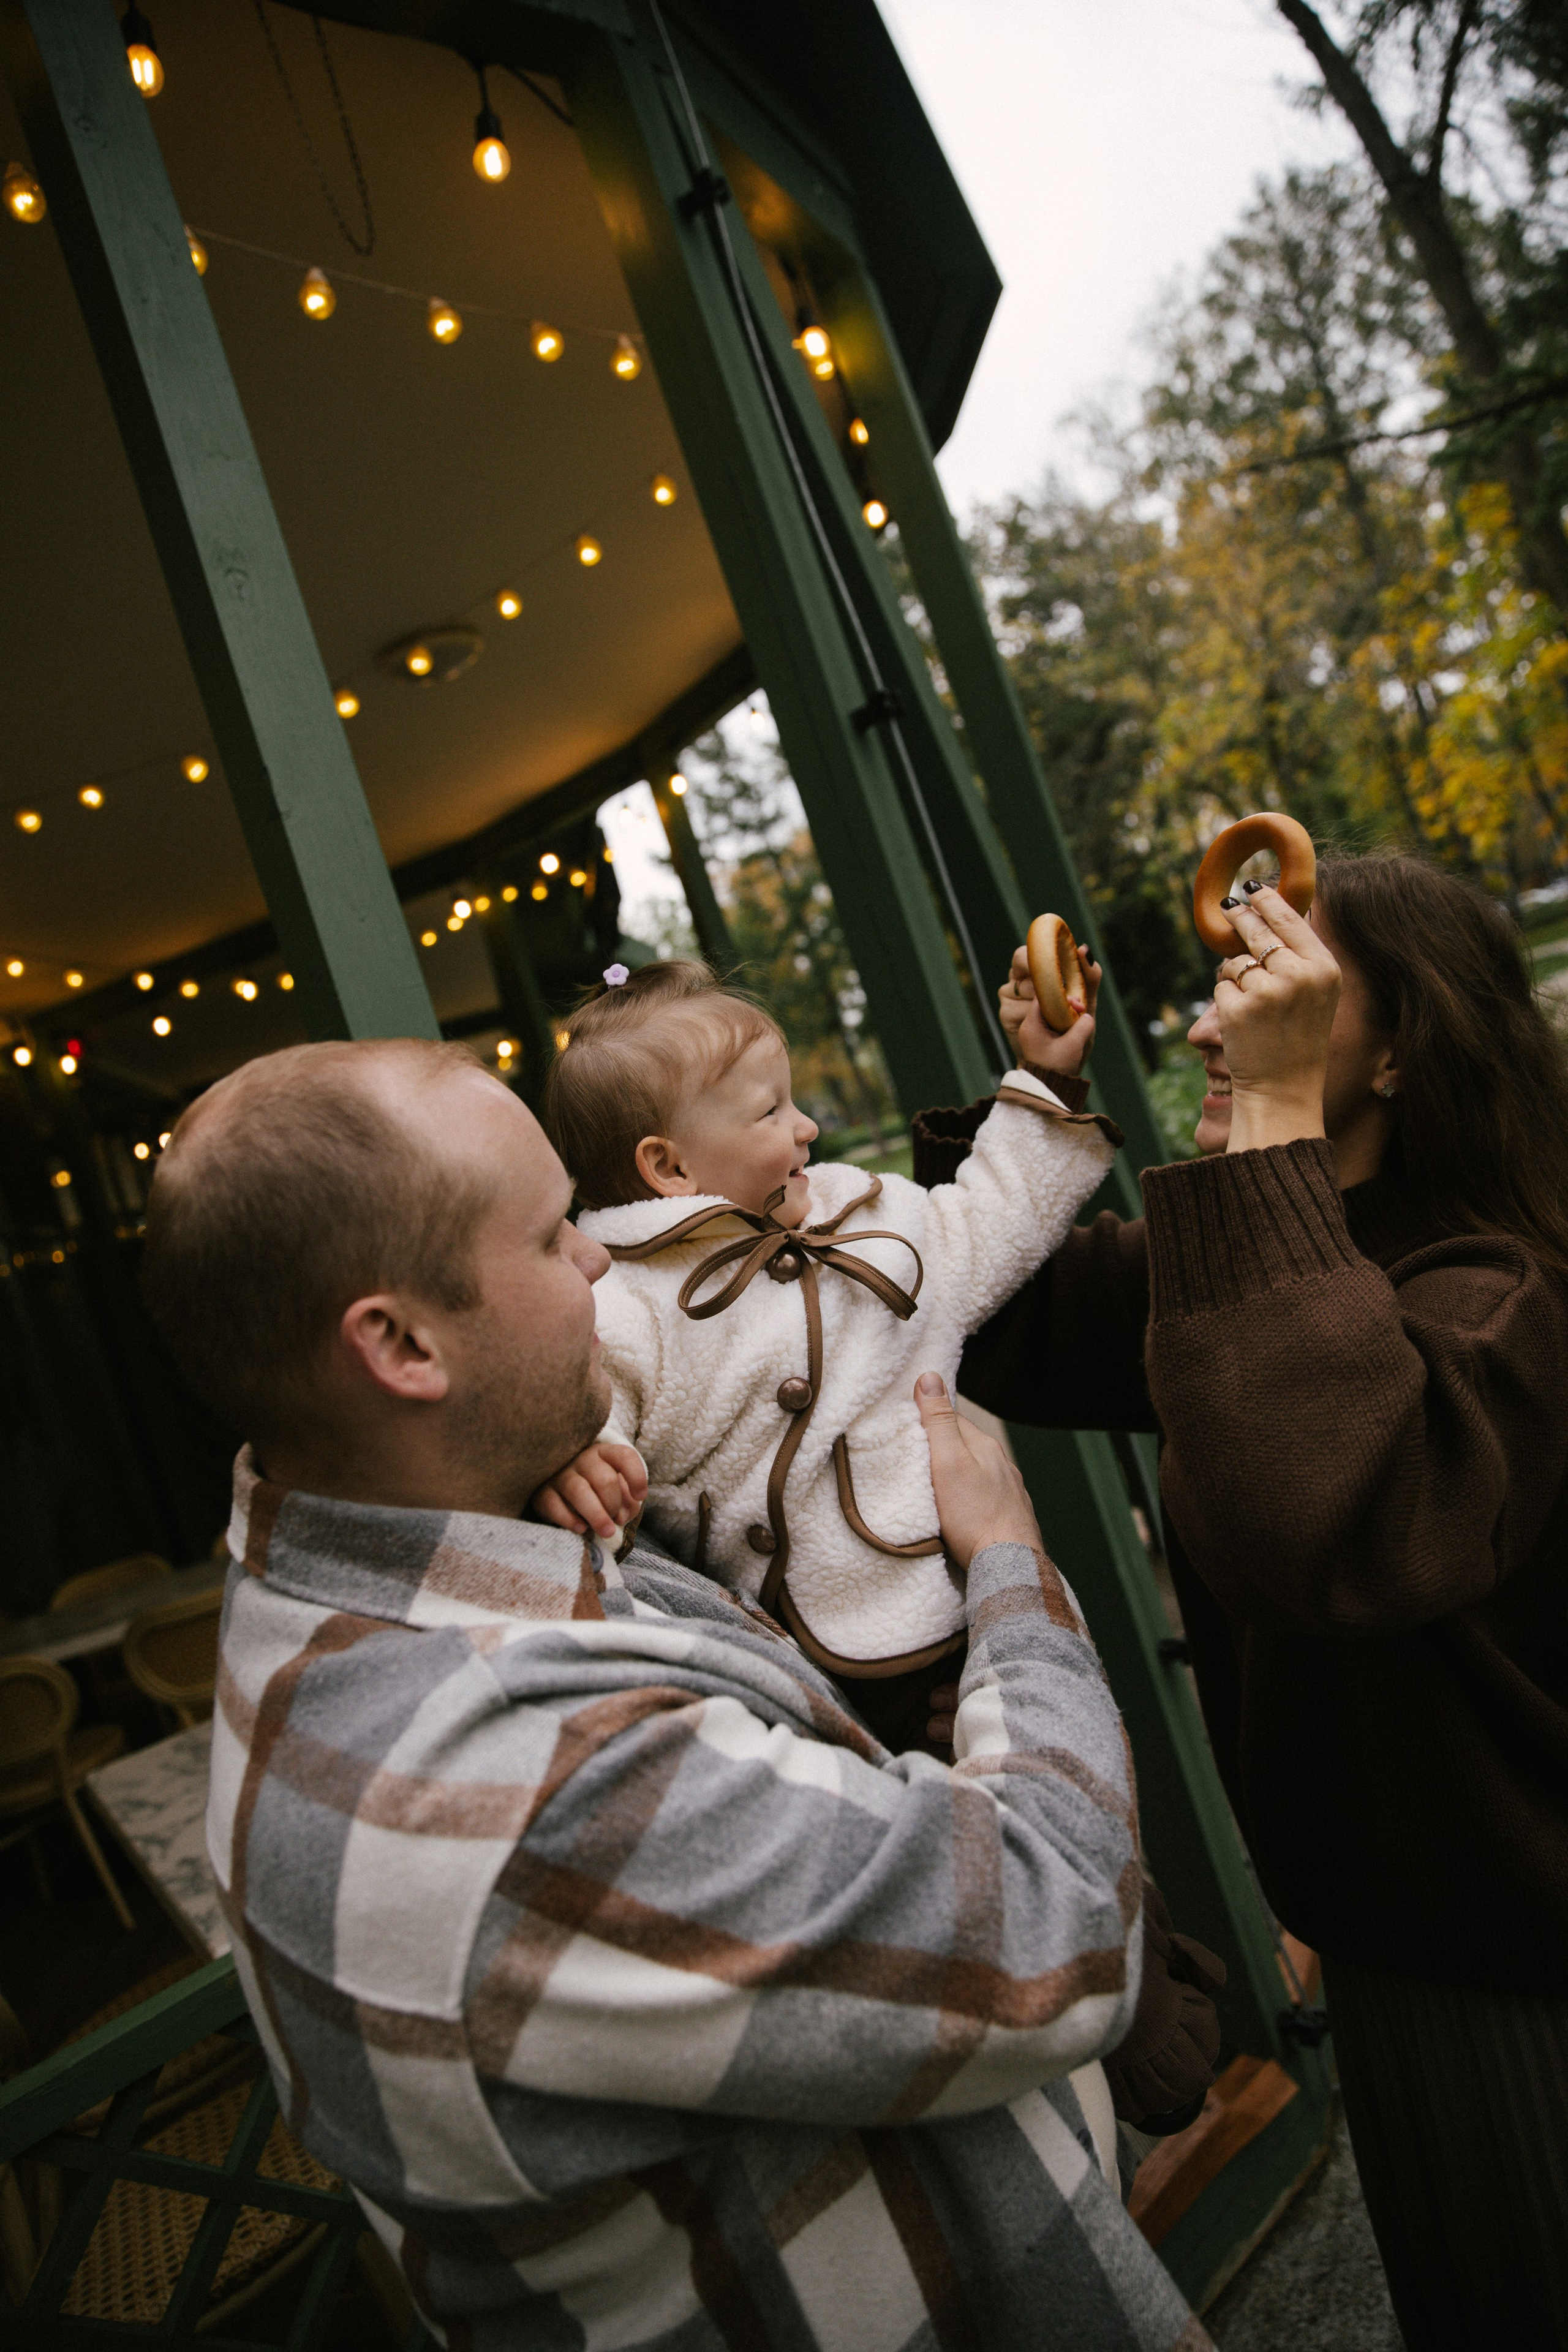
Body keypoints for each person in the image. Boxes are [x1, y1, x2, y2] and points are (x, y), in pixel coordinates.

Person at [138, 1036, 1207, 2352]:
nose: (600, 1256)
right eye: (548, 1239)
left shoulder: (377, 1546)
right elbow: (1056, 1935)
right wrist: (1008, 1569)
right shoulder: (514, 1785)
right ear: (403, 1344)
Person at [924, 853, 1568, 2352]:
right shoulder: (1270, 1260)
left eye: (1272, 1002)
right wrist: (1031, 1098)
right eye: (1225, 998)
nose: (1215, 1036)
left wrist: (1265, 1134)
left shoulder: (1506, 1293)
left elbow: (1329, 1516)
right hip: (1401, 1942)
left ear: (1402, 1046)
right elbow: (998, 1323)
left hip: (1521, 1964)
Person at [534, 956, 1117, 1747]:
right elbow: (591, 1403)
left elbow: (989, 1218)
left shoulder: (856, 1217)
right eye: (771, 1112)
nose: (806, 1126)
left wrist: (1047, 1077)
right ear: (669, 1166)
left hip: (984, 1593)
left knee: (1075, 1779)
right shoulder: (626, 1302)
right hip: (829, 1669)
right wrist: (585, 1460)